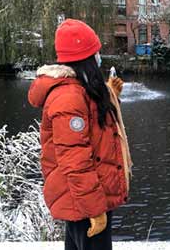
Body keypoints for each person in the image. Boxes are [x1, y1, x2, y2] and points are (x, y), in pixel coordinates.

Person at [28, 19, 132, 250]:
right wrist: (94, 210)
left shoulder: (78, 90)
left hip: (82, 198)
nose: (99, 57)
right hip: (84, 201)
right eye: (96, 53)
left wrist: (111, 96)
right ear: (86, 59)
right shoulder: (69, 98)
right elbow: (75, 162)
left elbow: (95, 130)